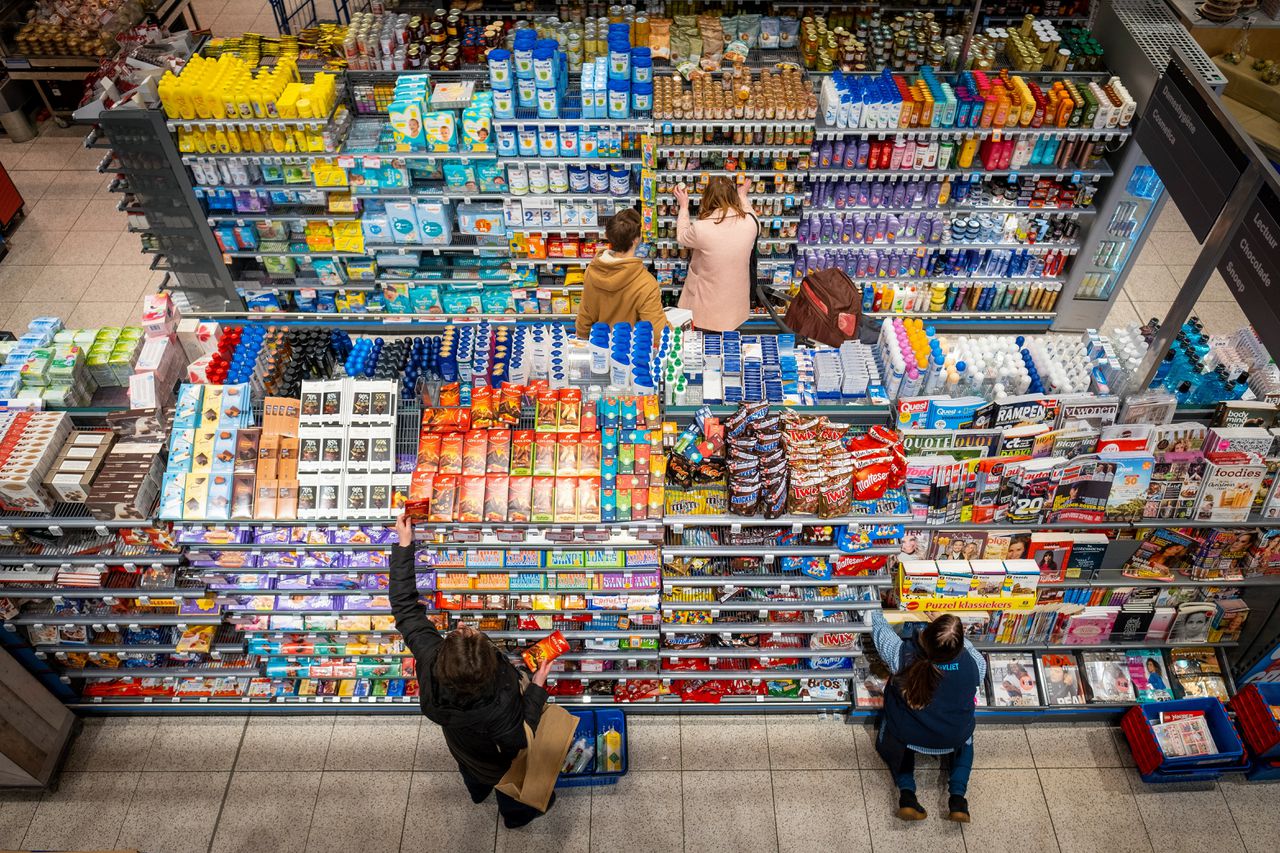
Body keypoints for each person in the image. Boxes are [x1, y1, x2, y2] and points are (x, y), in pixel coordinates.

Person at [390, 514, 556, 828]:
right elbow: (521, 737)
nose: (464, 626)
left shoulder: (430, 658)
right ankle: (516, 816)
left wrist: (404, 547)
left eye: (460, 632)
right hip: (500, 764)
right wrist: (536, 685)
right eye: (471, 634)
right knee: (511, 784)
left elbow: (403, 606)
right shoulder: (500, 704)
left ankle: (478, 793)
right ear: (490, 663)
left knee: (472, 772)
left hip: (463, 747)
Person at [870, 608, 984, 823]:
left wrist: (875, 606)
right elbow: (966, 648)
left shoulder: (901, 655)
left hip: (908, 733)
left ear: (926, 638)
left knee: (895, 733)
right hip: (953, 735)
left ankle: (907, 794)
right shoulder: (976, 663)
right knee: (967, 743)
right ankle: (958, 799)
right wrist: (949, 633)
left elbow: (879, 628)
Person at [672, 176, 758, 331]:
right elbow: (750, 212)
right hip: (736, 303)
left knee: (703, 344)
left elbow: (682, 237)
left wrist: (684, 206)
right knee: (729, 342)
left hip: (707, 304)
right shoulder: (752, 223)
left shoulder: (701, 228)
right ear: (733, 197)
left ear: (707, 198)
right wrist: (743, 195)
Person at [575, 208, 667, 337]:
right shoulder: (646, 283)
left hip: (599, 349)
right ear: (637, 239)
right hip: (631, 353)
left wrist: (583, 343)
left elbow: (585, 315)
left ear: (608, 236)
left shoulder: (592, 270)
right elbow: (657, 332)